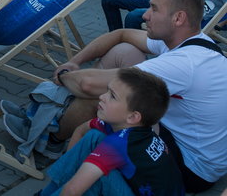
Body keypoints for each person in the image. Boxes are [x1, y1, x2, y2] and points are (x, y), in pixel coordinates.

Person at [41, 0, 227, 193]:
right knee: (124, 52)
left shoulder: (184, 64)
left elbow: (88, 84)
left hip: (190, 168)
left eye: (154, 9)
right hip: (191, 146)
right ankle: (55, 129)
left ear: (178, 18)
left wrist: (64, 74)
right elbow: (121, 34)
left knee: (114, 99)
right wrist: (75, 62)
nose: (145, 15)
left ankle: (53, 136)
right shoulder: (193, 43)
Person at [36, 68, 183, 196]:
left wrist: (76, 180)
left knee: (97, 177)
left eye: (112, 96)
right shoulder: (134, 127)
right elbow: (81, 130)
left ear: (132, 116)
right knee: (94, 137)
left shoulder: (118, 144)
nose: (101, 96)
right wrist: (70, 169)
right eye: (107, 90)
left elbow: (72, 191)